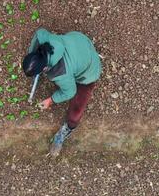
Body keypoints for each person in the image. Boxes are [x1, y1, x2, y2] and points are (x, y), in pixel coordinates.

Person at [22, 28, 102, 156]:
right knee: (72, 67)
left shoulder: (59, 73)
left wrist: (51, 100)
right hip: (80, 41)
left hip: (90, 69)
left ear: (44, 68)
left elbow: (70, 92)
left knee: (77, 108)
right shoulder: (44, 39)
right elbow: (39, 32)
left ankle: (68, 128)